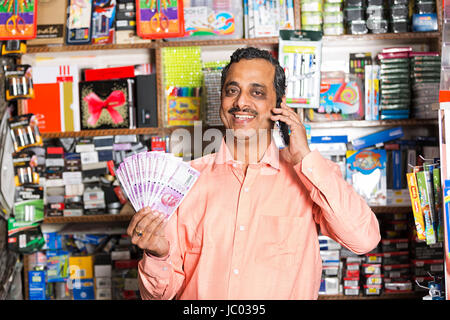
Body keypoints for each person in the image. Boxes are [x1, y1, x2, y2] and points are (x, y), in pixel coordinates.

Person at [127, 47, 381, 300]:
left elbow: (363, 239)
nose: (240, 102)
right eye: (232, 90)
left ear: (279, 105)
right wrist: (158, 254)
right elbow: (159, 297)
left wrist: (305, 157)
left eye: (256, 92)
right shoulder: (184, 181)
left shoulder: (310, 175)